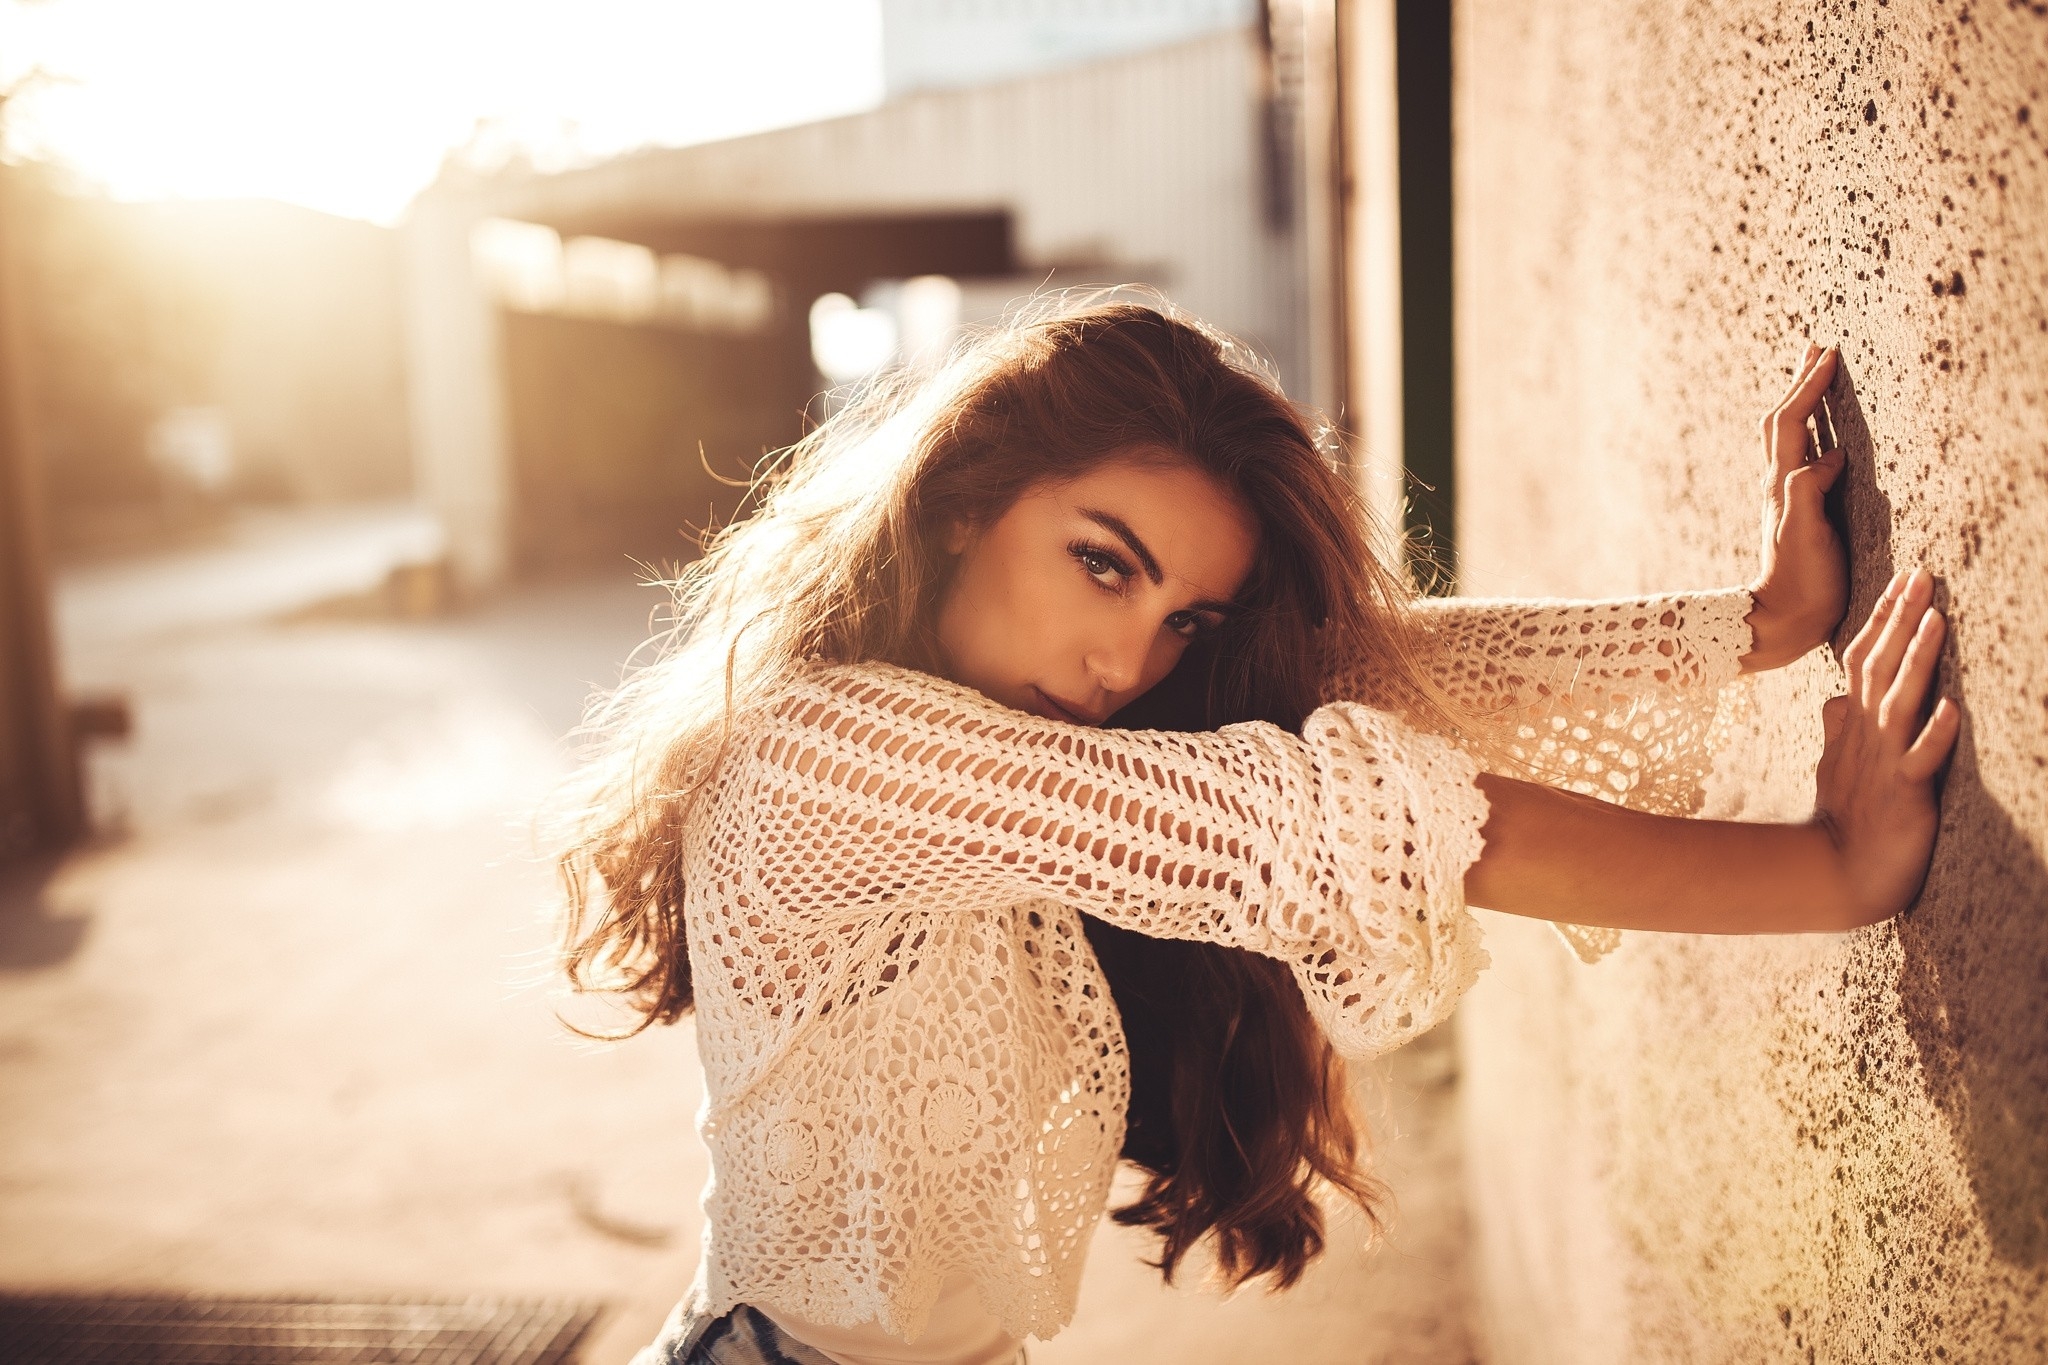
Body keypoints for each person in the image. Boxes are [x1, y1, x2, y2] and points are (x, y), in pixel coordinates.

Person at [555, 301, 1956, 1365]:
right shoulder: (834, 752)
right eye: (1103, 562)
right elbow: (1343, 823)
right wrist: (1826, 869)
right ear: (968, 498)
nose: (1127, 659)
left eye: (1185, 618)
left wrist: (1756, 622)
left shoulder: (1023, 729)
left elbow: (1373, 671)